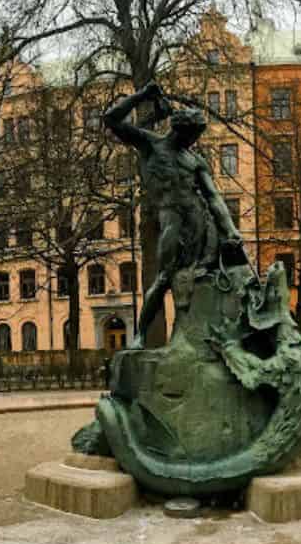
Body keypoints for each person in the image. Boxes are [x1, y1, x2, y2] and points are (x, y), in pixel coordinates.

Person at [102, 82, 242, 347]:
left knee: (207, 275)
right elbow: (111, 119)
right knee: (164, 277)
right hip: (171, 218)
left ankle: (202, 334)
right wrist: (143, 95)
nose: (194, 141)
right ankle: (141, 334)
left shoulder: (195, 161)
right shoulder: (151, 144)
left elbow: (214, 197)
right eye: (192, 135)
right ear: (179, 130)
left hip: (199, 220)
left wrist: (231, 230)